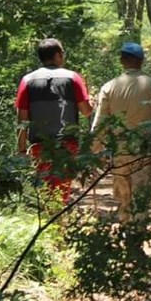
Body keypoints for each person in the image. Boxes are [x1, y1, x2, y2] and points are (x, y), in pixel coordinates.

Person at [91, 42, 151, 223]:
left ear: (121, 60)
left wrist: (93, 151)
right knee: (142, 195)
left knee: (124, 197)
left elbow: (100, 123)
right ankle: (137, 238)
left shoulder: (109, 87)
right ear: (142, 61)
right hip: (144, 150)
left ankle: (128, 235)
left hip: (119, 151)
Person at [15, 38, 93, 203]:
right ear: (58, 55)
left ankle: (51, 224)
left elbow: (22, 118)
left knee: (45, 190)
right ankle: (58, 224)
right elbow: (87, 111)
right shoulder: (73, 77)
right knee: (61, 190)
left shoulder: (27, 80)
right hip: (67, 144)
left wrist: (21, 149)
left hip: (39, 146)